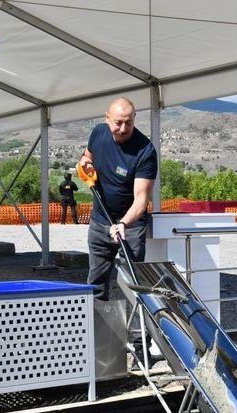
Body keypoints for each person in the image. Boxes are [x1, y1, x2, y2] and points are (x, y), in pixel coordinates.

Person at [79, 97, 158, 301]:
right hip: (100, 221)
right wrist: (85, 163)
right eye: (118, 122)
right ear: (107, 118)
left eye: (128, 122)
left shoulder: (145, 151)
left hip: (130, 228)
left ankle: (140, 320)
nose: (123, 129)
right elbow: (87, 156)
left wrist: (123, 223)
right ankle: (97, 319)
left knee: (135, 282)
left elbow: (141, 198)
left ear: (135, 118)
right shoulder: (98, 133)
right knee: (95, 283)